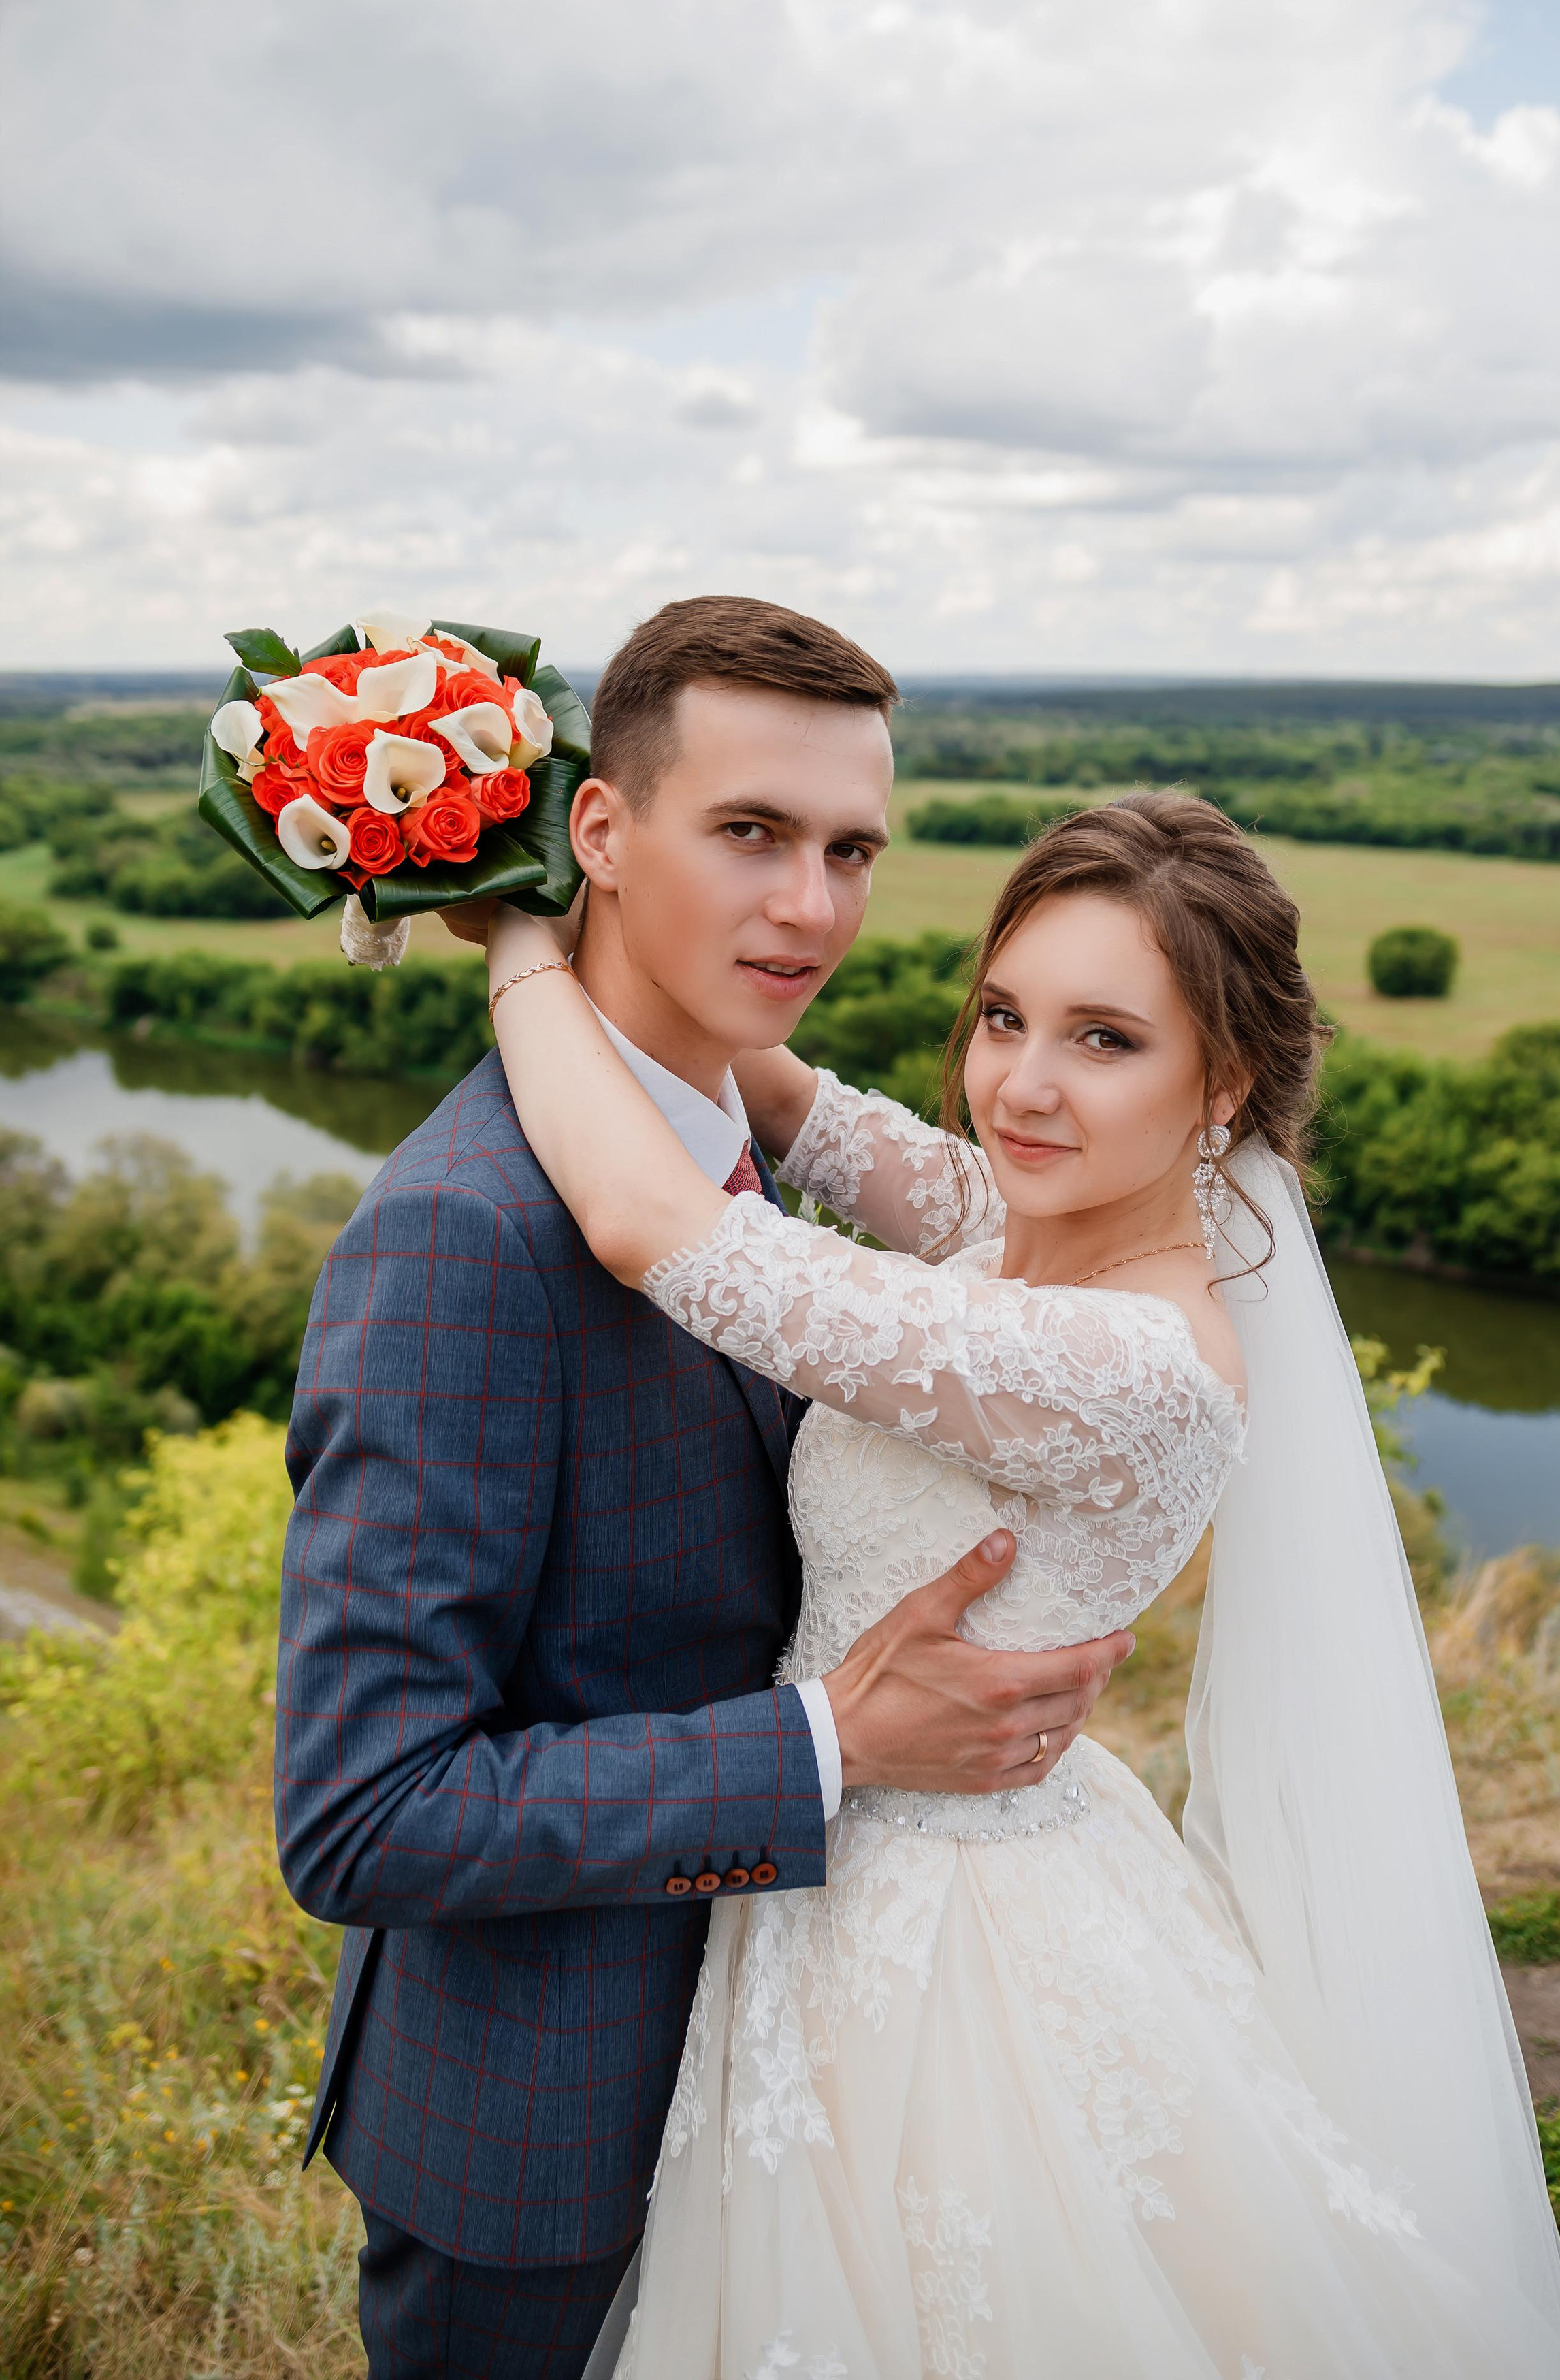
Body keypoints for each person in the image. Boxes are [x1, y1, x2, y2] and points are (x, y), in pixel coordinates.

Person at [484, 788, 1560, 2380]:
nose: (1018, 1083)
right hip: (858, 1859)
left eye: (1101, 1039)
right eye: (1002, 1014)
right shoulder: (1039, 1220)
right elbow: (795, 1104)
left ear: (1219, 1080)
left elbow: (649, 1220)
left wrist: (515, 943)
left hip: (945, 1935)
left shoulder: (1126, 1359)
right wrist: (592, 882)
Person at [274, 597, 1135, 2380]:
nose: (812, 906)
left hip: (797, 2084)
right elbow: (363, 1809)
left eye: (851, 850)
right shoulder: (464, 1233)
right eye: (751, 832)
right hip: (550, 2140)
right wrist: (832, 1740)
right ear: (598, 830)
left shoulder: (723, 1130)